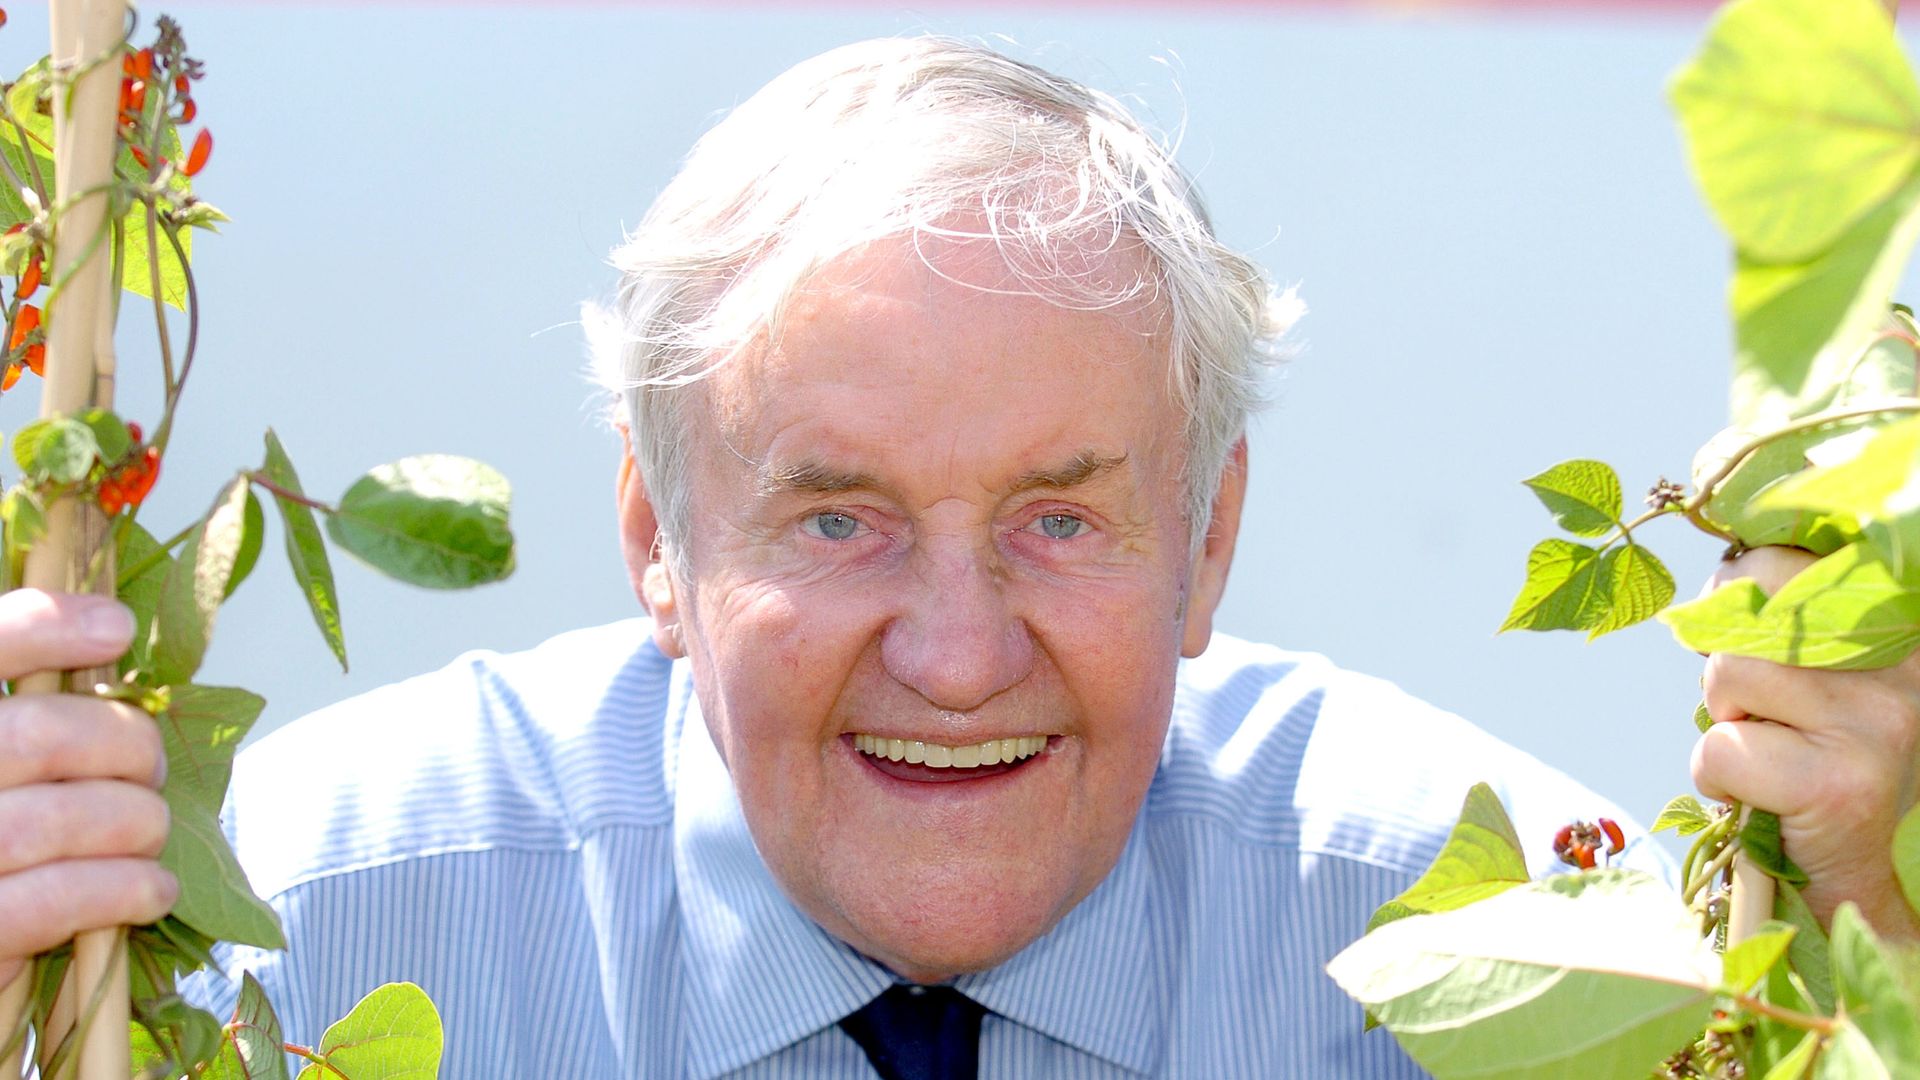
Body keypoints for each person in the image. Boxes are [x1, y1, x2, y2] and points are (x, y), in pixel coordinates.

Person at [3, 35, 1916, 1078]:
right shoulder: (276, 921)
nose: (954, 651)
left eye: (1059, 520)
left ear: (1210, 544)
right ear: (658, 543)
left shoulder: (1516, 941)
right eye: (837, 519)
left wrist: (1885, 932)